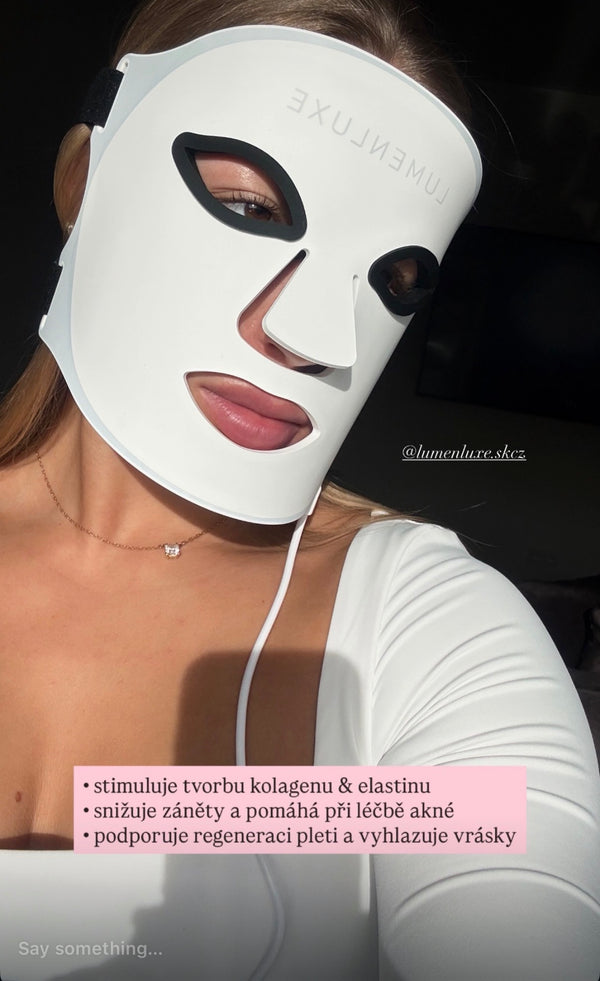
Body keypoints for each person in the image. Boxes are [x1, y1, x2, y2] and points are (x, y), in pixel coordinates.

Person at [1, 0, 599, 979]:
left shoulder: (420, 626)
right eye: (249, 209)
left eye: (392, 282)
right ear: (87, 177)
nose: (318, 338)